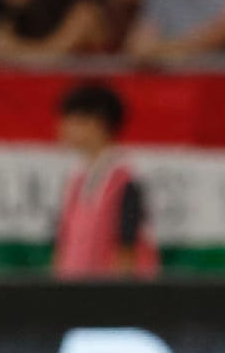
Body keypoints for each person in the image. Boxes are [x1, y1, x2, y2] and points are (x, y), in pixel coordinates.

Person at [53, 81, 158, 279]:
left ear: (97, 123)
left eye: (72, 121)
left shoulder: (126, 179)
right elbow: (62, 242)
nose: (62, 128)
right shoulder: (76, 180)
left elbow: (127, 245)